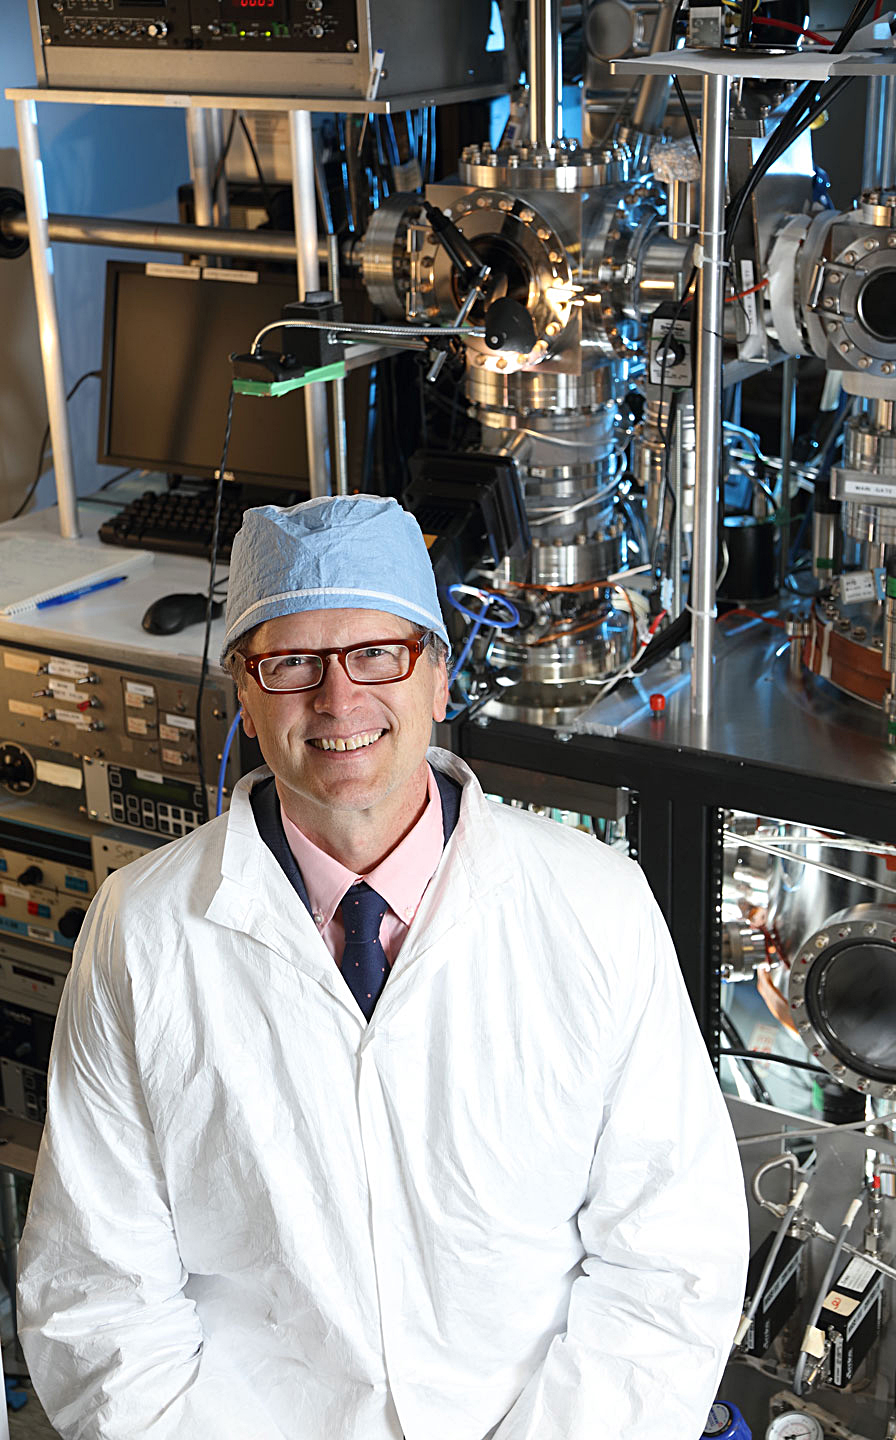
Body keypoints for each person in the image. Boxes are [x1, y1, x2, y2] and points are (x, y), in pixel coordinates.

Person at [18, 495, 748, 1440]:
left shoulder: (597, 907)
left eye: (376, 654)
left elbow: (670, 1257)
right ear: (244, 689)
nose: (338, 700)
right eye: (291, 664)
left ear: (438, 677)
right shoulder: (143, 931)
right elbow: (96, 1298)